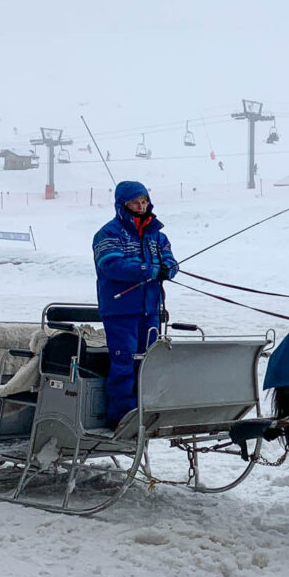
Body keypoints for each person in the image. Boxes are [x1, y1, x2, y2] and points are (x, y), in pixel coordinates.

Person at [92, 181, 179, 423]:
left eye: (144, 201)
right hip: (120, 310)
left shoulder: (158, 236)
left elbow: (171, 262)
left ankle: (145, 410)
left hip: (150, 309)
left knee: (148, 363)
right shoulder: (108, 233)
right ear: (122, 204)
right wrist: (149, 270)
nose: (141, 207)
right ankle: (122, 416)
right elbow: (111, 265)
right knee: (125, 363)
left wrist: (168, 269)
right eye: (135, 202)